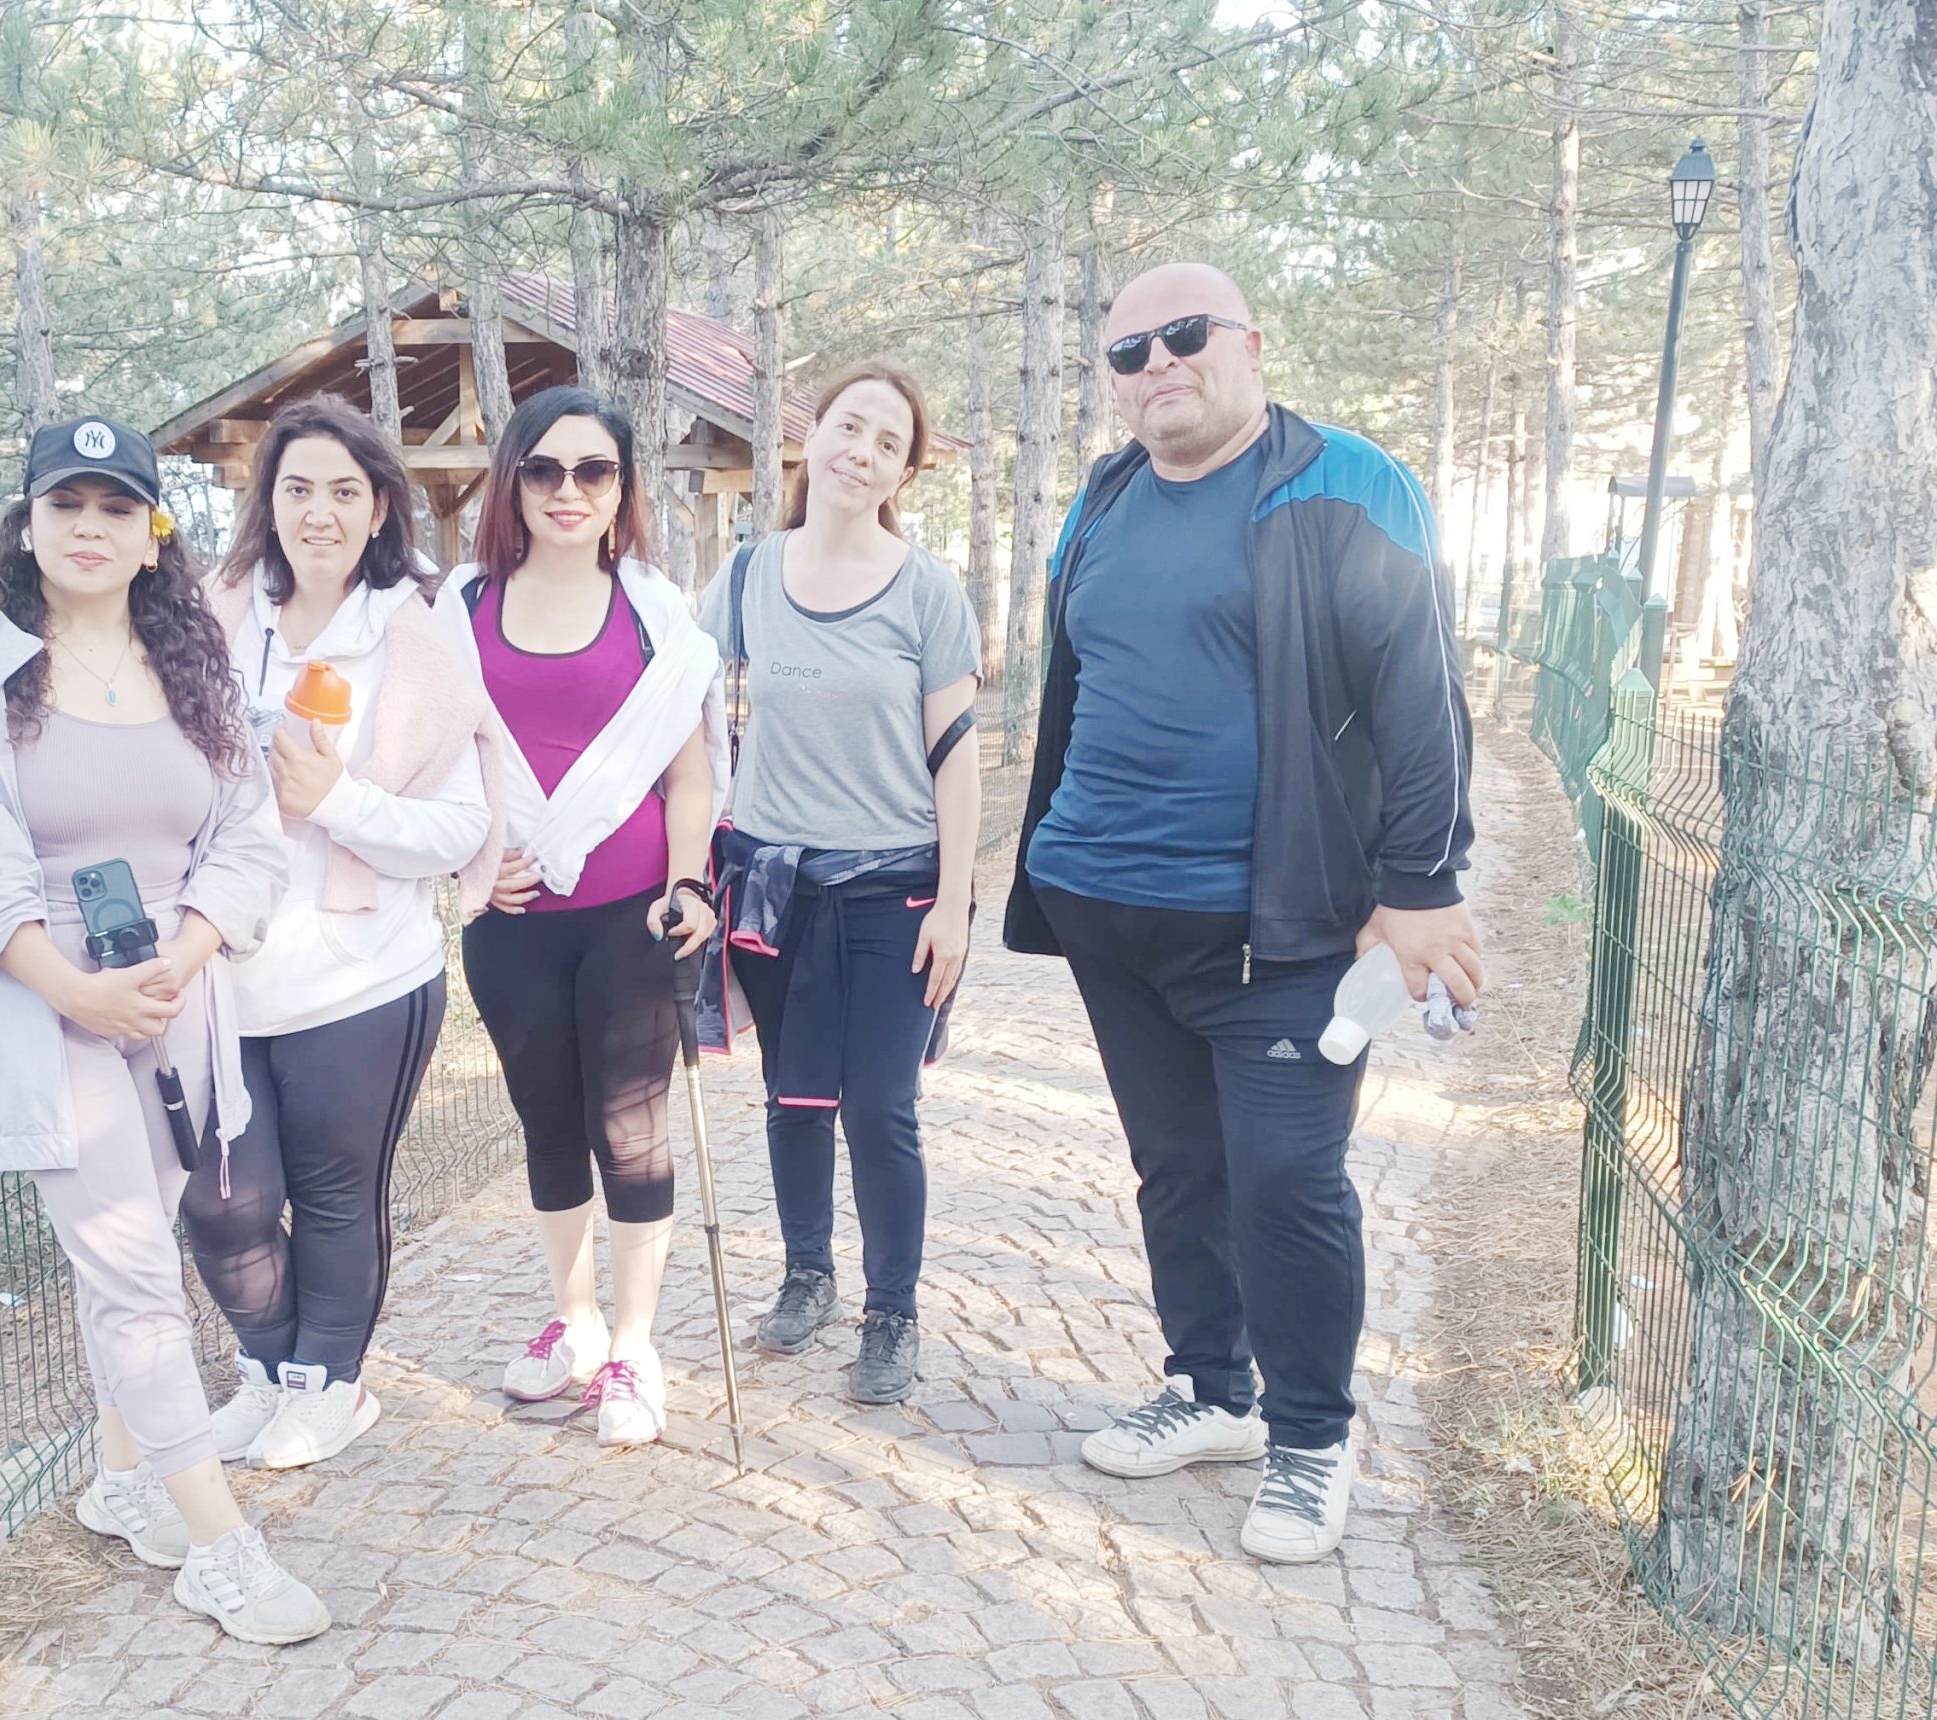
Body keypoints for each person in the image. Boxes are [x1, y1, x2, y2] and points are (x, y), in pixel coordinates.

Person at [1004, 263, 1481, 1564]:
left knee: (1285, 1181)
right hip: (1109, 912)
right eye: (1128, 351)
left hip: (1279, 929)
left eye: (1184, 335)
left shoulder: (1347, 484)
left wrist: (1422, 885)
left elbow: (1420, 695)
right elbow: (1073, 677)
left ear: (1251, 345)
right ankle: (1212, 1391)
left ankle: (1312, 1438)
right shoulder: (1103, 497)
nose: (1157, 363)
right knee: (1179, 1169)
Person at [0, 415, 326, 1645]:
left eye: (116, 508)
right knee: (134, 1271)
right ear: (27, 526)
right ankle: (222, 1548)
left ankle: (123, 1475)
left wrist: (183, 957)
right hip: (50, 1018)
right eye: (66, 505)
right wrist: (76, 991)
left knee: (132, 1264)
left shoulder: (195, 671)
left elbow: (246, 841)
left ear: (153, 535)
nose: (90, 528)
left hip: (174, 1004)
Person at [179, 393, 504, 1472]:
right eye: (298, 489)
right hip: (219, 974)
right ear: (267, 503)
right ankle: (268, 1367)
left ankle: (326, 1384)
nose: (319, 512)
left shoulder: (414, 639)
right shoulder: (214, 621)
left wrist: (337, 802)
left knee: (331, 1197)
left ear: (378, 511)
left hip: (358, 979)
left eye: (344, 492)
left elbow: (459, 828)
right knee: (222, 1202)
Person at [442, 386, 725, 1448]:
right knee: (548, 1121)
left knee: (631, 1125)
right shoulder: (459, 609)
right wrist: (473, 860)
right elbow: (428, 766)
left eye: (594, 470)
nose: (569, 490)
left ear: (622, 487)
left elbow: (688, 777)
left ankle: (636, 1347)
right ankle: (575, 1322)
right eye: (545, 469)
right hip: (511, 921)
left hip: (632, 917)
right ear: (512, 480)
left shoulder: (655, 616)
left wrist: (690, 885)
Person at [695, 360, 981, 1406]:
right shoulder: (743, 579)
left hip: (896, 888)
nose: (862, 452)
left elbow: (957, 757)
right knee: (793, 1094)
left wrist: (954, 904)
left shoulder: (927, 590)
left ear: (904, 472)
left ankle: (890, 1312)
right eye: (850, 428)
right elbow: (676, 707)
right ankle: (806, 1275)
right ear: (811, 438)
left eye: (889, 443)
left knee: (881, 1107)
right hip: (776, 884)